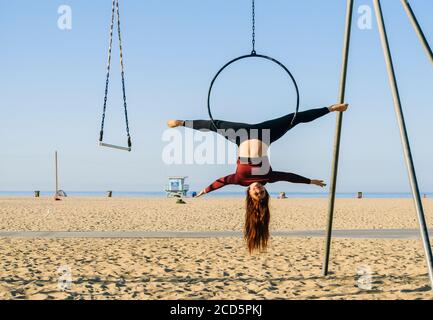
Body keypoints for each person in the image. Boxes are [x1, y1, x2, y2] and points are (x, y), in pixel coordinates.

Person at [167, 103, 348, 252]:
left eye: (256, 194)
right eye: (262, 193)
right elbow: (288, 177)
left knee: (213, 125)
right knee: (295, 117)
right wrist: (310, 181)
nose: (259, 190)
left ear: (249, 193)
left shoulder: (239, 179)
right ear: (265, 190)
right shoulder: (269, 177)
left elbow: (221, 182)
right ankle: (332, 109)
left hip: (242, 135)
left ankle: (180, 122)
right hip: (266, 133)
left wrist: (204, 191)